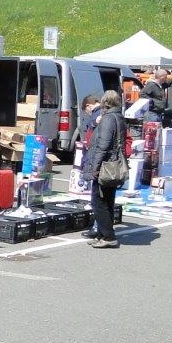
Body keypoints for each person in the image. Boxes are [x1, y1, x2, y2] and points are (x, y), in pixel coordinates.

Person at [81, 89, 126, 249]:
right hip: (113, 164)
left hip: (105, 165)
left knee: (99, 201)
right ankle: (102, 234)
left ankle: (108, 236)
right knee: (107, 200)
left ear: (105, 102)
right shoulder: (119, 117)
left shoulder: (107, 118)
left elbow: (103, 145)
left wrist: (95, 167)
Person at [80, 94, 102, 239]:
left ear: (89, 105)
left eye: (86, 110)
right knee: (102, 196)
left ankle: (98, 228)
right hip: (100, 160)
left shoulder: (98, 115)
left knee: (98, 197)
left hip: (98, 160)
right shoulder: (109, 115)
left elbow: (96, 141)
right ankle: (101, 228)